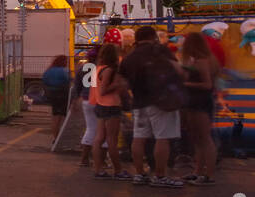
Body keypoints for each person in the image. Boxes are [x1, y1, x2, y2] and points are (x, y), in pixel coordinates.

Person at [119, 25, 185, 188]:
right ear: (153, 36)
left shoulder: (130, 57)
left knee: (139, 138)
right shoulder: (160, 50)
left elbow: (122, 83)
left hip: (139, 103)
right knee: (162, 138)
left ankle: (140, 174)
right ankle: (160, 176)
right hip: (161, 102)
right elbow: (178, 70)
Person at [179, 32, 219, 186]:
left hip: (200, 102)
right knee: (198, 139)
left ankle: (208, 174)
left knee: (204, 138)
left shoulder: (202, 61)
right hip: (198, 101)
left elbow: (207, 84)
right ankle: (198, 171)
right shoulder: (206, 59)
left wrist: (186, 84)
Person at [90, 42, 130, 179]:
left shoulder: (98, 68)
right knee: (111, 140)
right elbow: (104, 89)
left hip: (100, 105)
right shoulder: (109, 70)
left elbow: (97, 89)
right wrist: (117, 84)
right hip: (111, 106)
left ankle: (98, 169)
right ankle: (118, 170)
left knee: (99, 138)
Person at [74, 50, 101, 166]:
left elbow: (77, 85)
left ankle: (84, 159)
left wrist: (75, 100)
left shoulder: (83, 68)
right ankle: (101, 160)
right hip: (98, 100)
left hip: (86, 99)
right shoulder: (100, 68)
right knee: (101, 130)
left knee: (90, 128)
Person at [40, 54, 72, 142]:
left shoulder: (48, 71)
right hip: (63, 96)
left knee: (55, 117)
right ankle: (62, 137)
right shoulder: (64, 71)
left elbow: (44, 81)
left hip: (52, 96)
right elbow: (68, 81)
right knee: (63, 117)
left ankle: (55, 137)